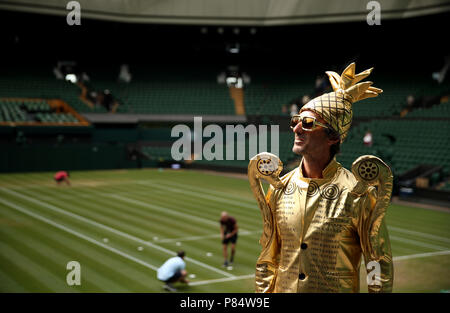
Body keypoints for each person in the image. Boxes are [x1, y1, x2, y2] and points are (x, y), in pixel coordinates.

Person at [250, 63, 393, 293]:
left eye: (307, 123)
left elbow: (377, 264)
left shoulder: (359, 195)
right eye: (296, 120)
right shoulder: (278, 189)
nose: (296, 128)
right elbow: (268, 260)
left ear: (332, 137)